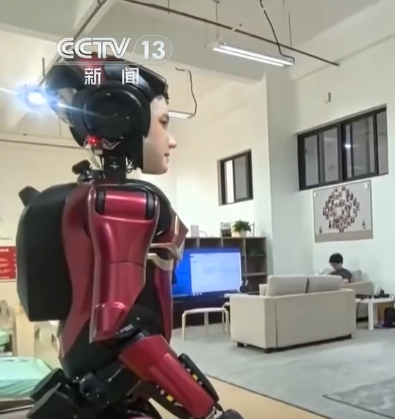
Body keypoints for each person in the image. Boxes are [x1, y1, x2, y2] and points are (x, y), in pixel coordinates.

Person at [14, 58, 243, 419]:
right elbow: (120, 325)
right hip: (111, 374)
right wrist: (206, 411)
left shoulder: (85, 194)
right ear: (119, 117)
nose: (171, 140)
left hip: (90, 366)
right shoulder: (126, 202)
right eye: (163, 123)